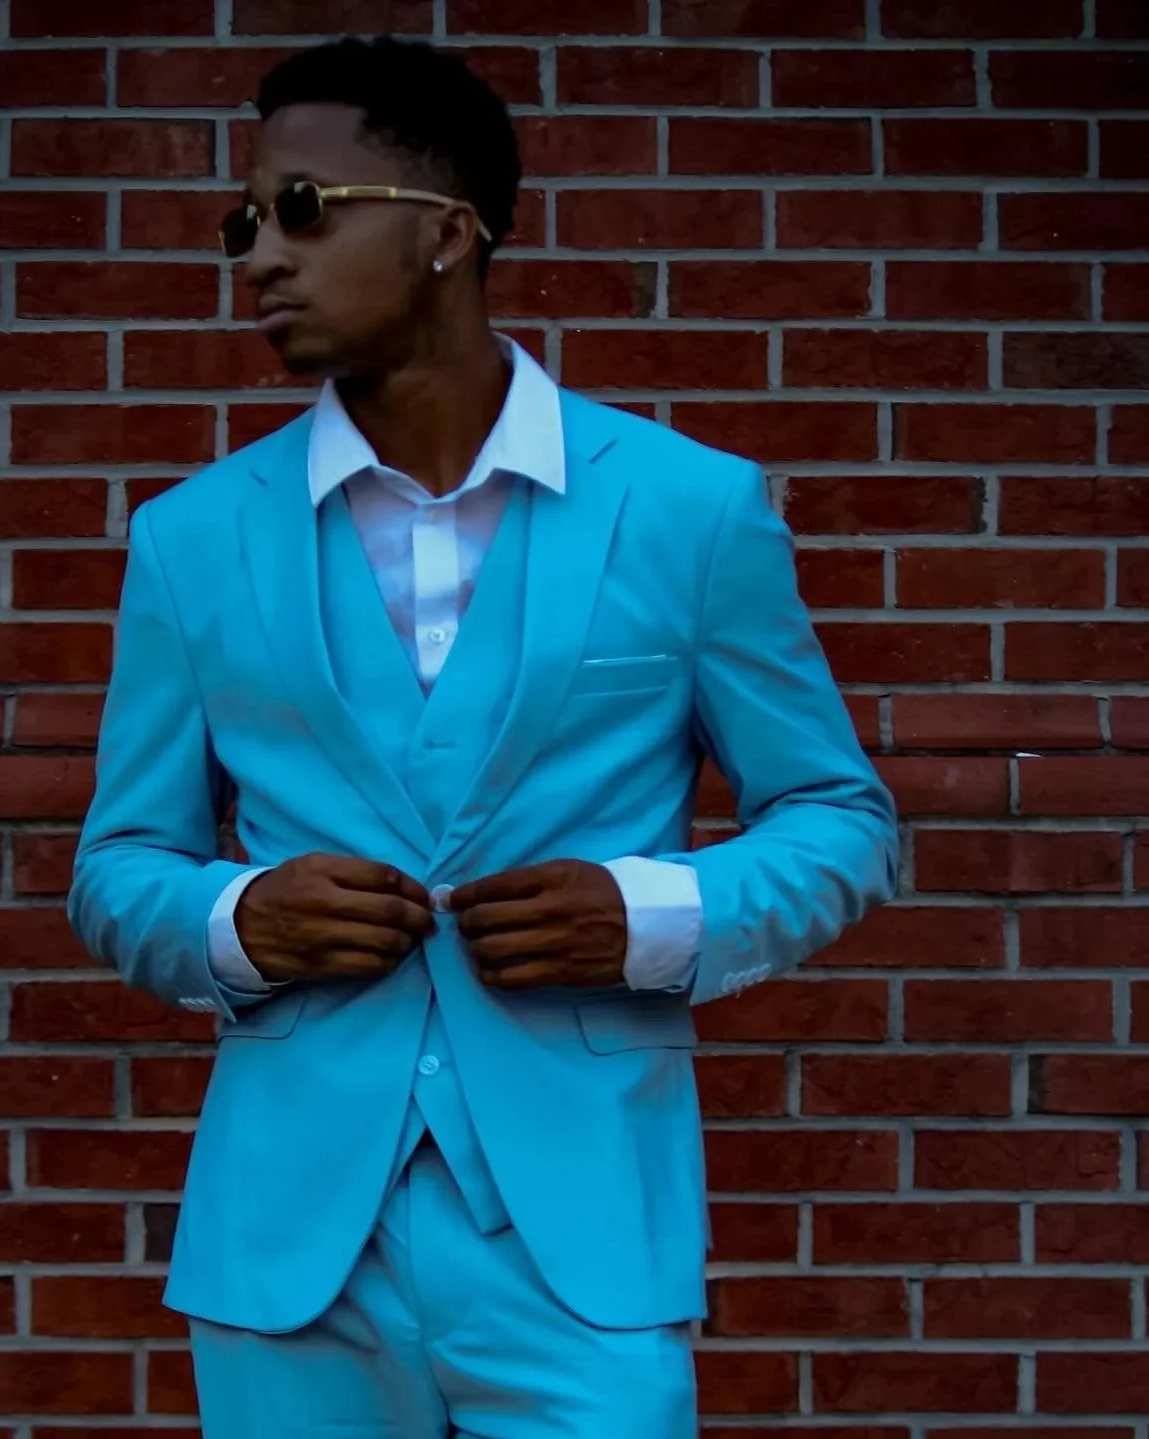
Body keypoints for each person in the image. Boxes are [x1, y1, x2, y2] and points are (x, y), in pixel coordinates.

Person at [69, 36, 898, 1439]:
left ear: (446, 232)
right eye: (243, 222)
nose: (257, 255)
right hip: (289, 1246)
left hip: (577, 1242)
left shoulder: (690, 510)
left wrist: (652, 910)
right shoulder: (193, 538)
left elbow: (837, 815)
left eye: (300, 209)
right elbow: (119, 864)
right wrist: (238, 916)